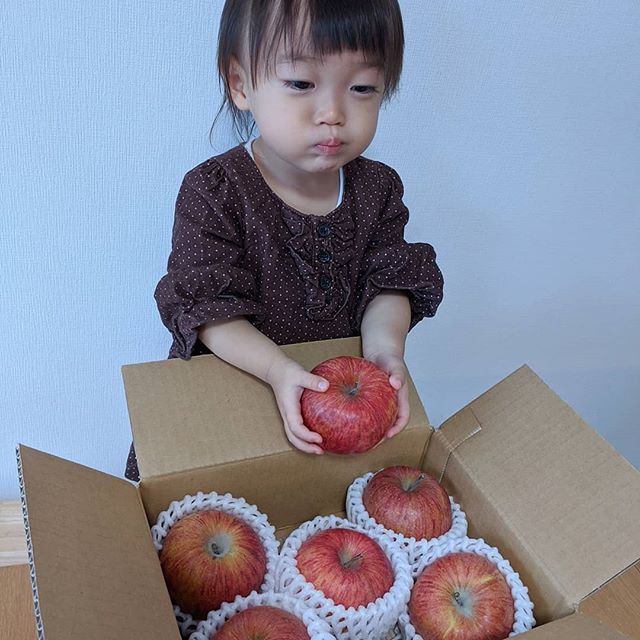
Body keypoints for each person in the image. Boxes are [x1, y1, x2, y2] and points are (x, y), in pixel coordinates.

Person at [125, 0, 443, 482]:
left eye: (362, 88)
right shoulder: (217, 190)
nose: (333, 113)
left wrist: (385, 351)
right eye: (300, 83)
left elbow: (389, 282)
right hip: (231, 400)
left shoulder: (377, 189)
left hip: (333, 420)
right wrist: (277, 370)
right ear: (240, 85)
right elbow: (209, 311)